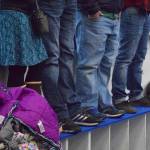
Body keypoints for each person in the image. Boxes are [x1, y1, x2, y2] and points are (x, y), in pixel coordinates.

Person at [39, 0, 102, 133]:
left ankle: (72, 109)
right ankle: (59, 113)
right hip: (50, 4)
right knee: (52, 57)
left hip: (71, 3)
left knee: (67, 54)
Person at [76, 0, 125, 117]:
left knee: (106, 64)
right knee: (89, 65)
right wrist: (92, 7)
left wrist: (119, 8)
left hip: (113, 16)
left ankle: (104, 104)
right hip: (96, 16)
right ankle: (88, 106)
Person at [112, 0, 150, 112]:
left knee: (139, 56)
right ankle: (119, 98)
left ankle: (136, 95)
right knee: (125, 58)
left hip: (145, 10)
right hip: (132, 8)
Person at [0, 0, 48, 85]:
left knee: (11, 65)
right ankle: (19, 95)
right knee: (18, 65)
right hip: (18, 19)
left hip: (11, 17)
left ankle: (14, 94)